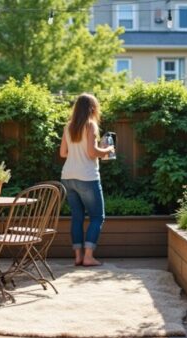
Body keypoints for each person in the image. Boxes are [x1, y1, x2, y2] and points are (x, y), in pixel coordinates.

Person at [60, 93, 114, 267]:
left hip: (68, 177)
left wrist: (77, 153)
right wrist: (107, 150)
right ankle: (89, 257)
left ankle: (78, 256)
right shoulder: (90, 125)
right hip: (87, 177)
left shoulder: (68, 126)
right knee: (97, 217)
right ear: (92, 108)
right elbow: (92, 153)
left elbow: (63, 153)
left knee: (77, 217)